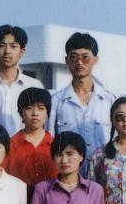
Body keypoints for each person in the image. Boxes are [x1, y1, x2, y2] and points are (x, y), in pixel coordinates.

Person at [49, 32, 116, 177]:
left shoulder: (109, 100)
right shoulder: (56, 101)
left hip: (103, 176)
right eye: (74, 57)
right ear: (66, 60)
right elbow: (51, 142)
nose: (79, 63)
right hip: (69, 179)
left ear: (95, 60)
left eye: (85, 57)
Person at [2, 87, 58, 195]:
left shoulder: (57, 146)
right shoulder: (9, 145)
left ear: (47, 113)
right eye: (29, 108)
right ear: (21, 113)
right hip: (18, 202)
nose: (35, 113)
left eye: (41, 108)